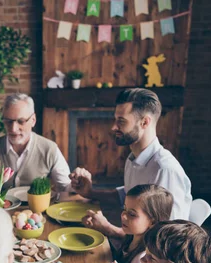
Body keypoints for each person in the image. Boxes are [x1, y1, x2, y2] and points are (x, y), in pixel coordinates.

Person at [70, 88, 192, 239]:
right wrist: (90, 192)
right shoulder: (133, 158)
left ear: (145, 122)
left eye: (121, 121)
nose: (114, 127)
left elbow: (167, 237)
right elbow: (127, 195)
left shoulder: (165, 170)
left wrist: (108, 229)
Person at [0, 93, 71, 192]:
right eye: (8, 121)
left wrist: (77, 184)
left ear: (33, 120)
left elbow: (66, 187)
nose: (13, 129)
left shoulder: (50, 149)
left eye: (21, 121)